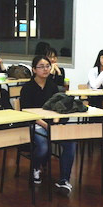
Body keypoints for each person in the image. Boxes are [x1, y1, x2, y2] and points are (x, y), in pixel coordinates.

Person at [20, 55, 77, 195]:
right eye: (41, 67)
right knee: (44, 146)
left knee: (70, 143)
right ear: (34, 70)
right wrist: (46, 125)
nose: (45, 69)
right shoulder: (27, 88)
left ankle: (64, 180)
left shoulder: (52, 86)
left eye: (47, 66)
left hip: (52, 123)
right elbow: (26, 112)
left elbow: (58, 107)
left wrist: (56, 122)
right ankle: (35, 167)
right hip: (35, 124)